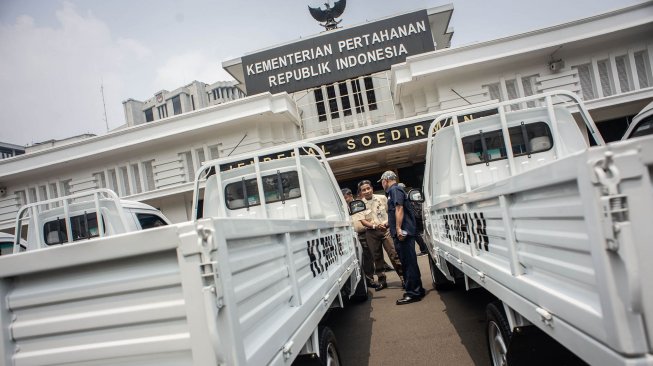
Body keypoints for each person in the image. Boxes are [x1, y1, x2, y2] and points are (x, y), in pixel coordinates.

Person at [379, 171, 426, 305]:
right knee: (409, 263)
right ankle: (417, 289)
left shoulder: (395, 189)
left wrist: (399, 228)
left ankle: (413, 293)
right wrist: (388, 224)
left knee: (408, 264)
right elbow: (396, 212)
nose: (382, 184)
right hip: (401, 232)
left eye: (382, 181)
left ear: (386, 180)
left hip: (403, 234)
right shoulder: (395, 191)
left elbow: (399, 209)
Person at [357, 180, 403, 291]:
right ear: (360, 192)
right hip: (371, 232)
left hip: (386, 230)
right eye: (364, 190)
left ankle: (403, 278)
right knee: (377, 258)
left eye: (368, 188)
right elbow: (363, 220)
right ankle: (382, 281)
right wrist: (375, 227)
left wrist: (387, 224)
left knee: (394, 254)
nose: (367, 191)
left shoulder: (382, 198)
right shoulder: (359, 204)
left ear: (372, 188)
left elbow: (390, 212)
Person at [341, 188, 377, 288]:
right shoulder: (341, 209)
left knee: (367, 257)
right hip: (349, 237)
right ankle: (359, 279)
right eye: (343, 199)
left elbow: (369, 216)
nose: (345, 200)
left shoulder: (359, 205)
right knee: (354, 259)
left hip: (363, 234)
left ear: (351, 196)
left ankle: (369, 279)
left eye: (346, 198)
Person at [398, 183, 428, 256]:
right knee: (416, 234)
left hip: (412, 218)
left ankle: (424, 249)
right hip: (415, 217)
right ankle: (423, 249)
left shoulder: (405, 196)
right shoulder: (409, 195)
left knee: (416, 234)